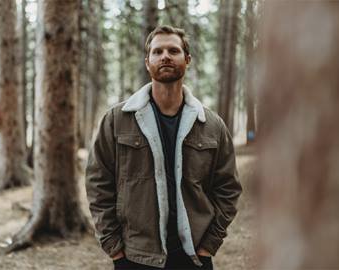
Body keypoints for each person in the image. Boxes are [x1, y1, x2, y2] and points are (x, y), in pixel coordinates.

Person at [86, 25, 242, 270]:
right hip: (135, 256)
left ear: (187, 59)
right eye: (157, 52)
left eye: (173, 50)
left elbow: (228, 188)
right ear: (147, 62)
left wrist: (208, 245)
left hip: (193, 256)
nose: (165, 56)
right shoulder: (117, 120)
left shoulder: (212, 125)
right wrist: (114, 248)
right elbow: (98, 184)